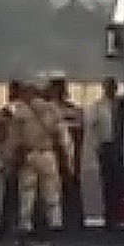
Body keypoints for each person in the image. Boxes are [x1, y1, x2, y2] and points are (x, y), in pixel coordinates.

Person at [0, 81, 62, 246]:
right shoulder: (52, 110)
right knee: (51, 193)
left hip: (29, 155)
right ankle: (54, 224)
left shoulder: (20, 112)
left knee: (27, 192)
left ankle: (26, 226)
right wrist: (69, 159)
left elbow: (13, 139)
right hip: (48, 154)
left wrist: (8, 159)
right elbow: (62, 136)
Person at [46, 77, 86, 229]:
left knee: (64, 186)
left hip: (63, 151)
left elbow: (78, 132)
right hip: (61, 152)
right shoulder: (72, 110)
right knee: (62, 186)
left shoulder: (53, 111)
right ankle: (68, 220)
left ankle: (65, 220)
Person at [86, 80, 124, 229]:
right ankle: (109, 215)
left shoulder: (121, 105)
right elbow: (92, 126)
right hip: (107, 146)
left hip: (121, 146)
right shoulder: (97, 106)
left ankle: (120, 214)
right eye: (109, 87)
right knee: (107, 182)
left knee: (120, 182)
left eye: (113, 87)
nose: (111, 90)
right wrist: (96, 146)